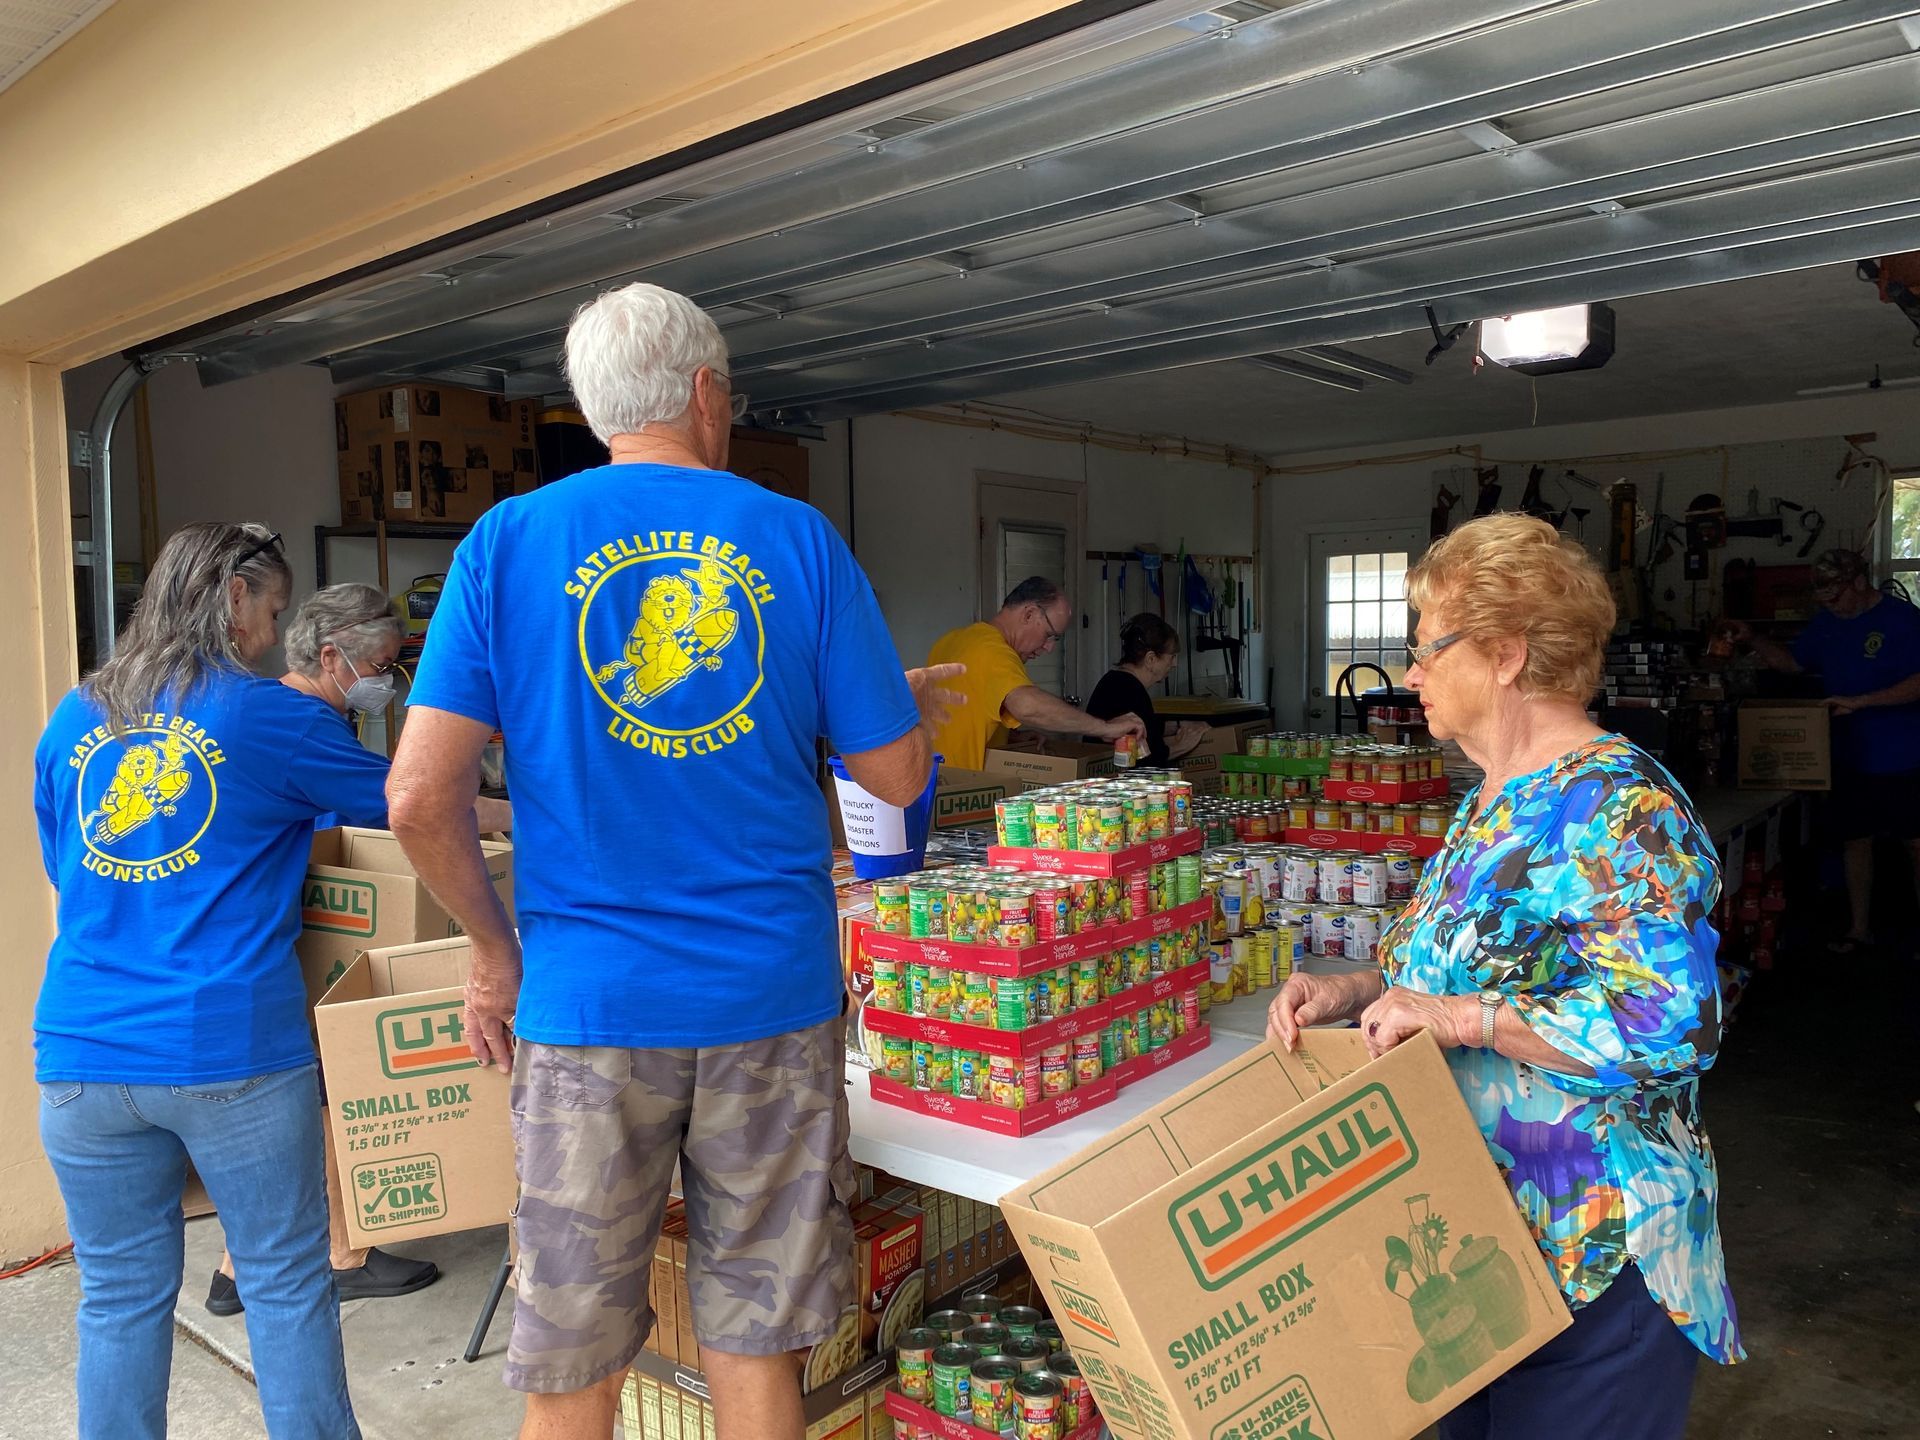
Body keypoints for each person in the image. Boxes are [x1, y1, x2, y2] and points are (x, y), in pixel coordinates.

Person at [382, 281, 963, 1440]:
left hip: (586, 1007)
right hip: (767, 1003)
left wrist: (496, 953)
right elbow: (892, 782)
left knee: (572, 1357)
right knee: (759, 1341)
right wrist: (905, 716)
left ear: (598, 408)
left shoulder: (505, 543)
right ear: (707, 393)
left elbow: (414, 794)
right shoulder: (797, 538)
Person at [1268, 515, 1741, 1440]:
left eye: (1426, 648)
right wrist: (1350, 992)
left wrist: (1459, 1018)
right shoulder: (1491, 798)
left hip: (1598, 1251)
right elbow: (1431, 960)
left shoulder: (1618, 807)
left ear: (1507, 656)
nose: (1411, 674)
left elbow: (1672, 1024)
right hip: (1479, 1241)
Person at [34, 524, 391, 1440]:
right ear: (233, 598)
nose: (274, 636)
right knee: (282, 1282)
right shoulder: (266, 713)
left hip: (81, 1052)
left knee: (116, 1296)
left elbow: (68, 866)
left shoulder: (75, 715)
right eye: (271, 611)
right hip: (226, 1045)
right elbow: (404, 802)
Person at [202, 583, 512, 1317]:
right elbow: (412, 805)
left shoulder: (290, 717)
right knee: (333, 1089)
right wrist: (528, 815)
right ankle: (338, 1253)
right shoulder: (303, 726)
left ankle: (237, 1268)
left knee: (317, 1095)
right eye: (379, 662)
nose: (389, 682)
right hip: (321, 939)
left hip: (293, 935)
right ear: (331, 654)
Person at [1725, 548, 1920, 955]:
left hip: (1906, 754)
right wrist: (1755, 638)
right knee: (1856, 839)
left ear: (1859, 583)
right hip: (1850, 755)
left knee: (1916, 843)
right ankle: (1859, 928)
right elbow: (1793, 665)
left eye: (1835, 597)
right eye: (1823, 600)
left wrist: (1862, 702)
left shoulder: (1904, 621)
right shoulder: (1828, 624)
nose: (1830, 606)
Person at [924, 576, 1145, 769]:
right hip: (964, 802)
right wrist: (1104, 728)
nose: (1049, 647)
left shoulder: (952, 641)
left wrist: (1012, 738)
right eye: (1050, 635)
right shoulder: (991, 650)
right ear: (1029, 614)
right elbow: (1027, 706)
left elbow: (960, 720)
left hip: (934, 791)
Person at [1084, 613, 1208, 766]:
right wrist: (1183, 745)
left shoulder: (1114, 681)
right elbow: (1147, 759)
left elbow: (1147, 726)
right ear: (1151, 659)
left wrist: (1179, 726)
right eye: (1171, 656)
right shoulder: (1132, 692)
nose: (1174, 664)